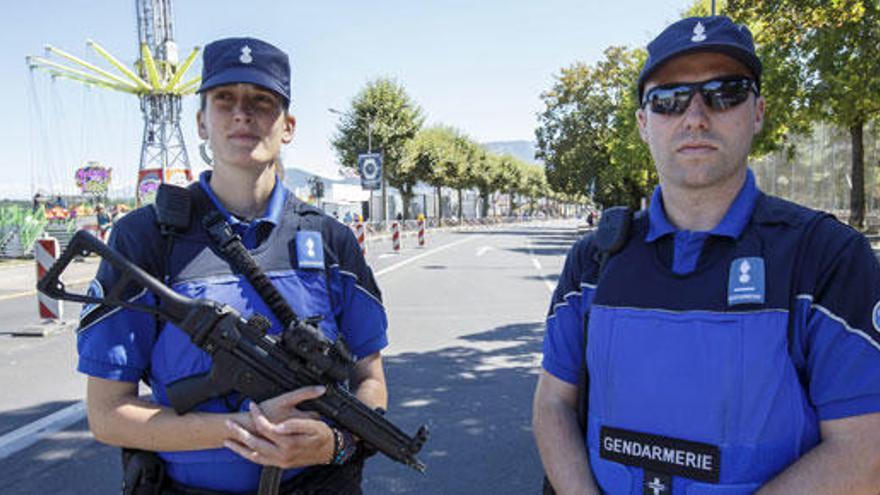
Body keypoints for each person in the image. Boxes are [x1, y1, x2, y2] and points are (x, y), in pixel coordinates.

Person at [533, 16, 880, 495]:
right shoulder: (594, 261)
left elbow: (865, 452)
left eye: (725, 92)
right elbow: (552, 403)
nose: (695, 116)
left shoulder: (828, 258)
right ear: (643, 123)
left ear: (757, 111)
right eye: (669, 99)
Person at [77, 37, 389, 494]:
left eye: (262, 101)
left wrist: (333, 444)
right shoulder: (144, 240)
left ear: (288, 126)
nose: (242, 114)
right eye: (225, 100)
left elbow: (371, 381)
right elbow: (107, 415)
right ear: (201, 122)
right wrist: (242, 428)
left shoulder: (330, 240)